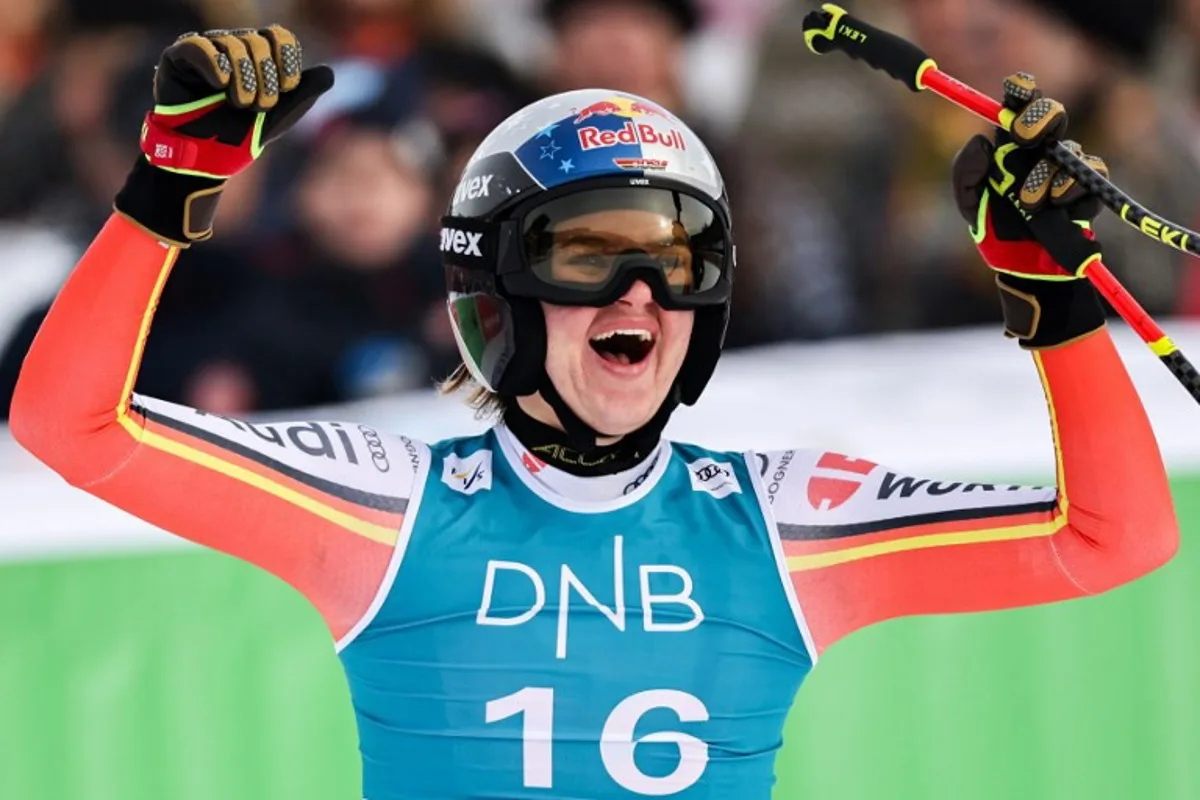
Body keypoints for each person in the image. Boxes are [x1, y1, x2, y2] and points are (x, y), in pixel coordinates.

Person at [8, 29, 1179, 800]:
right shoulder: (390, 502)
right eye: (587, 254)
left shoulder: (780, 519)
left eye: (677, 259)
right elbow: (70, 424)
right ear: (495, 294)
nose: (640, 295)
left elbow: (1117, 537)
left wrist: (1054, 301)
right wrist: (165, 189)